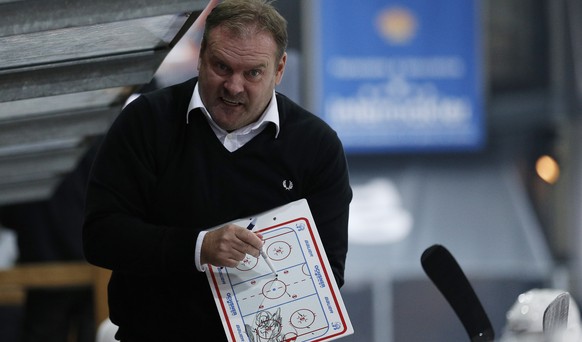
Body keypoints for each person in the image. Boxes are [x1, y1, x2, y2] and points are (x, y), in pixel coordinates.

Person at [82, 0, 352, 341]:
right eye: (221, 67)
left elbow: (328, 273)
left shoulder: (317, 146)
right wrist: (199, 248)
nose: (234, 86)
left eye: (253, 72)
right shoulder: (146, 122)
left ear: (279, 69)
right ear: (200, 57)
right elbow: (101, 236)